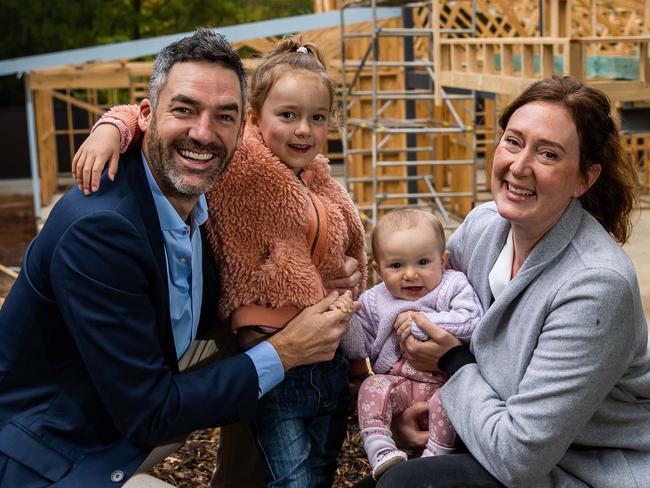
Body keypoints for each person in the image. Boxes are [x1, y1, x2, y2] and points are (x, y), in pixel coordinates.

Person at [0, 29, 359, 488]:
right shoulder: (101, 229)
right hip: (53, 449)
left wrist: (332, 278)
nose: (203, 133)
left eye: (223, 116)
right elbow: (149, 413)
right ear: (147, 115)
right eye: (184, 109)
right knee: (273, 354)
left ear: (240, 127)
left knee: (258, 342)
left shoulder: (210, 203)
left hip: (126, 404)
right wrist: (285, 351)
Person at [354, 75, 650, 488]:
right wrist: (408, 413)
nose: (518, 165)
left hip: (580, 466)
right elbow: (417, 302)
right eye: (513, 141)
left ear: (584, 178)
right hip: (483, 436)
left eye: (547, 154)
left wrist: (452, 362)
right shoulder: (482, 227)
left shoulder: (595, 286)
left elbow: (518, 457)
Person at [340, 208, 482, 480]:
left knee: (449, 401)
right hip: (401, 384)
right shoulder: (374, 300)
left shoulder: (452, 285)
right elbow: (360, 347)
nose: (410, 274)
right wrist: (347, 318)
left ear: (443, 260)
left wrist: (423, 322)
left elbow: (472, 321)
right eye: (396, 266)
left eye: (423, 262)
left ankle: (435, 457)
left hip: (445, 382)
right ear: (378, 270)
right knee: (372, 386)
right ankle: (382, 449)